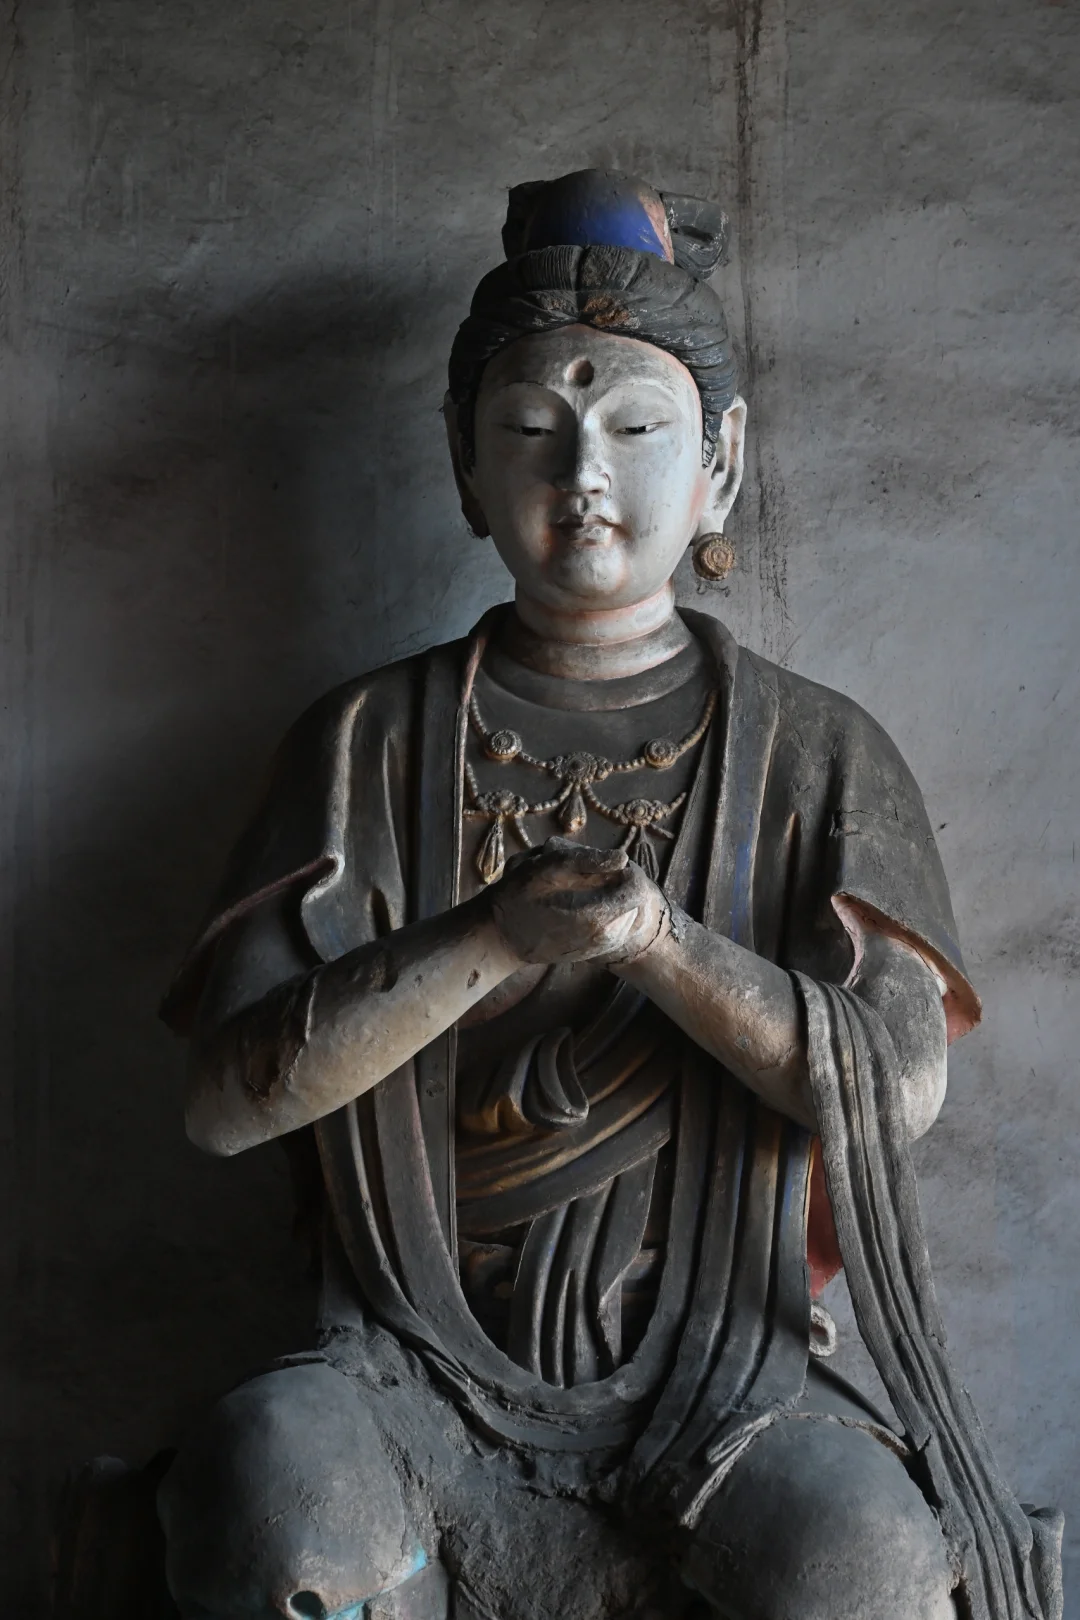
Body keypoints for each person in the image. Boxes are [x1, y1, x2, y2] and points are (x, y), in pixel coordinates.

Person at [156, 169, 1057, 1620]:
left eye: (636, 429)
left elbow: (894, 1088)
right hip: (403, 1351)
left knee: (866, 1563)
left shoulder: (820, 752)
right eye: (529, 428)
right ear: (465, 464)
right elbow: (221, 1101)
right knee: (274, 1492)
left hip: (730, 1362)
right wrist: (486, 937)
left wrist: (658, 943)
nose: (582, 475)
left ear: (722, 464)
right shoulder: (365, 741)